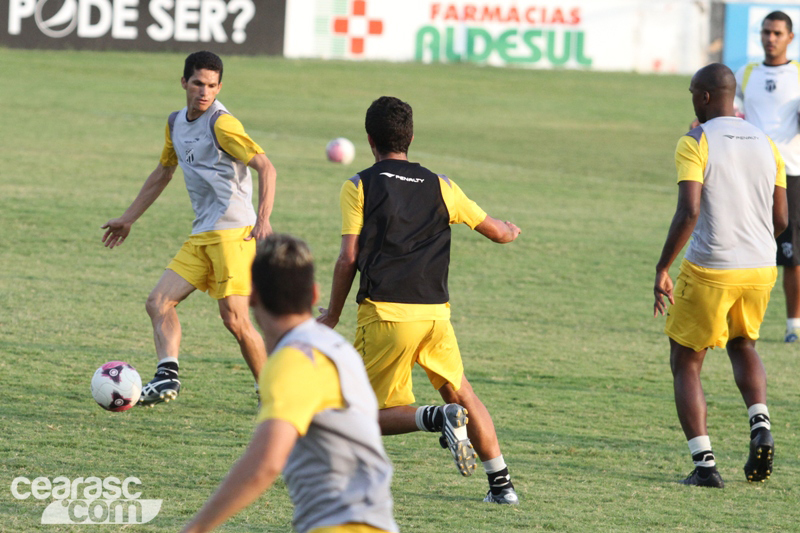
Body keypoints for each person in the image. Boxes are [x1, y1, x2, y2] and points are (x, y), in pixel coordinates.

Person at [318, 96, 522, 504]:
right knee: (462, 392)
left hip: (387, 315)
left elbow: (348, 258)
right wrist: (511, 230)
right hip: (435, 316)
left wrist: (333, 313)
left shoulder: (359, 184)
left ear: (370, 139)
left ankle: (433, 418)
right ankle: (502, 486)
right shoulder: (441, 185)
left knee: (364, 414)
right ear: (410, 137)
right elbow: (497, 232)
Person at [182, 234, 398, 533]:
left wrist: (195, 528)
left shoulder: (295, 359)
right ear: (314, 294)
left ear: (252, 296)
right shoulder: (334, 346)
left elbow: (266, 462)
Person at [101, 51, 276, 406]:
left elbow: (266, 167)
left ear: (219, 87)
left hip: (234, 236)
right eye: (198, 83)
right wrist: (128, 217)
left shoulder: (222, 124)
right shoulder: (175, 122)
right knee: (158, 302)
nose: (204, 92)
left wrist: (263, 219)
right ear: (184, 82)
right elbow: (163, 172)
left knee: (236, 320)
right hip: (203, 234)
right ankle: (167, 376)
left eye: (211, 85)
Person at [654, 63, 787, 488]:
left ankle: (706, 465)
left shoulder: (695, 141)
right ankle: (760, 423)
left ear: (706, 97)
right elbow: (781, 217)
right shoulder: (768, 144)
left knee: (686, 361)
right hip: (761, 266)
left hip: (713, 267)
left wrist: (662, 267)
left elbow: (689, 211)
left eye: (694, 92)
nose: (691, 98)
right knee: (743, 344)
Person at [734, 11, 800, 342]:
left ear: (790, 37)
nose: (770, 38)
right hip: (751, 173)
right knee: (747, 248)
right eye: (765, 32)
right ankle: (744, 322)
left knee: (791, 255)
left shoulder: (799, 74)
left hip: (791, 174)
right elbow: (729, 110)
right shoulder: (746, 73)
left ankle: (794, 327)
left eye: (776, 33)